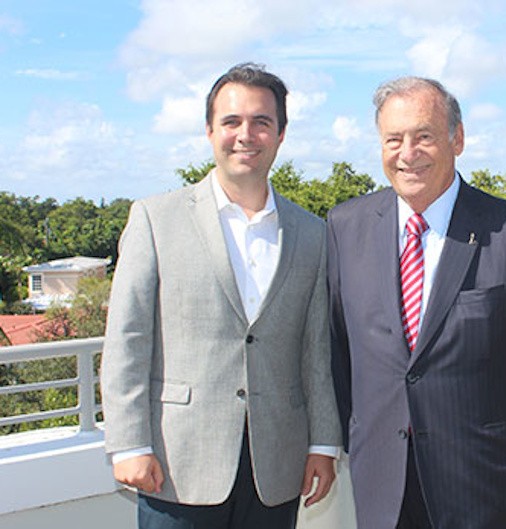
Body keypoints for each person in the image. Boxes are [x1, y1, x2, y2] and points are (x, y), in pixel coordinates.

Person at [101, 62, 341, 529]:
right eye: (231, 122)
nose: (245, 135)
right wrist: (129, 444)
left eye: (261, 122)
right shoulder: (155, 219)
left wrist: (323, 445)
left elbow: (317, 350)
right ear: (210, 130)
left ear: (281, 134)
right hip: (176, 464)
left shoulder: (313, 234)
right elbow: (127, 338)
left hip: (276, 467)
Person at [328, 76, 506, 528]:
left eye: (424, 136)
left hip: (483, 481)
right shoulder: (345, 226)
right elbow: (339, 348)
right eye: (393, 139)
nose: (408, 153)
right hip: (381, 478)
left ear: (457, 139)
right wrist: (353, 440)